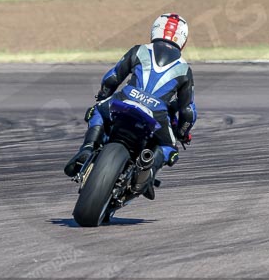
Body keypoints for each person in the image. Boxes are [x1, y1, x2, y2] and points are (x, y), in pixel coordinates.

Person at [64, 13, 197, 200]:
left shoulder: (139, 50)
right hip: (156, 114)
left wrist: (103, 96)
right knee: (169, 147)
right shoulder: (184, 69)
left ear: (155, 30)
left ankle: (87, 148)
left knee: (98, 112)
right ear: (183, 39)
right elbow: (188, 112)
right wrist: (183, 133)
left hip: (126, 100)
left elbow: (111, 78)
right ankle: (147, 172)